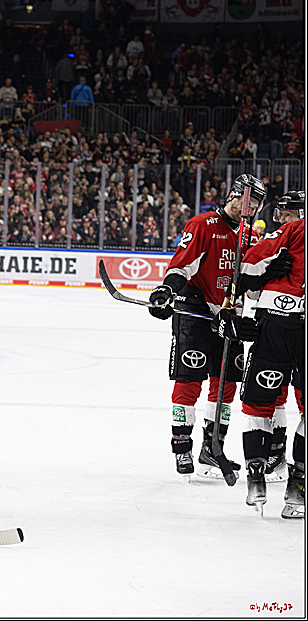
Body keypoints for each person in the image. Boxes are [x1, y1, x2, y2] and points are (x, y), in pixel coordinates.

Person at [147, 174, 267, 479]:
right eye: (246, 199)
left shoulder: (250, 236)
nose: (249, 206)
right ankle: (182, 446)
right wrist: (167, 291)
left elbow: (252, 286)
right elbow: (182, 265)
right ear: (233, 196)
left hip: (230, 316)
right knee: (190, 381)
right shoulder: (203, 224)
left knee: (226, 386)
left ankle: (213, 448)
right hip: (196, 311)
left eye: (255, 202)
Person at [228, 190, 303, 517]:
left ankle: (256, 476)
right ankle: (298, 487)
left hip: (274, 323)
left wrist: (264, 273)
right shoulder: (291, 229)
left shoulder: (291, 231)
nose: (282, 218)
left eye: (288, 212)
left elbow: (246, 269)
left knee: (258, 404)